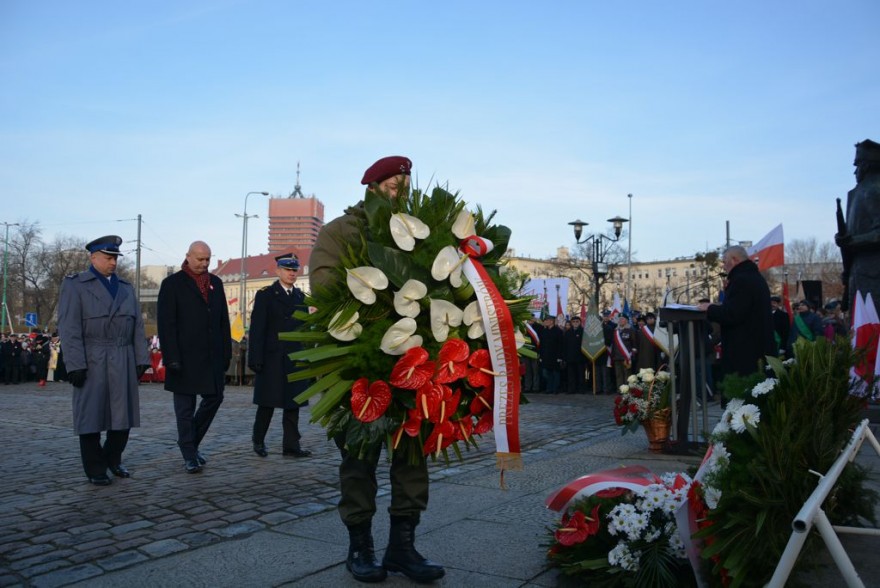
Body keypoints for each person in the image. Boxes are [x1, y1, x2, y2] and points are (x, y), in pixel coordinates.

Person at [311, 155, 445, 583]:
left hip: (414, 360)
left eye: (404, 183)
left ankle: (402, 547)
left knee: (411, 456)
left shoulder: (419, 228)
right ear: (371, 186)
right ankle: (360, 547)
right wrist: (382, 300)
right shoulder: (341, 231)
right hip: (359, 360)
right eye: (391, 183)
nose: (399, 190)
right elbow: (326, 283)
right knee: (360, 456)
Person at [57, 235, 150, 485]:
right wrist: (75, 364)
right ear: (93, 257)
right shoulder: (76, 285)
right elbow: (69, 328)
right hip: (92, 357)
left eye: (115, 258)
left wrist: (142, 358)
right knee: (90, 417)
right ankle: (95, 468)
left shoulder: (126, 288)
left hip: (122, 356)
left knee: (123, 417)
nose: (113, 263)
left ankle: (112, 458)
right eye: (108, 258)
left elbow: (138, 327)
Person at [157, 241, 231, 474]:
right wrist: (171, 357)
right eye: (200, 259)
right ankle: (189, 454)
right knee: (185, 409)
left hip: (212, 356)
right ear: (188, 257)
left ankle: (189, 442)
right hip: (184, 357)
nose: (204, 263)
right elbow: (166, 324)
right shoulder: (172, 284)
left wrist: (226, 352)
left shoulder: (216, 283)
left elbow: (223, 322)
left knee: (215, 398)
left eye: (208, 259)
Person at [247, 253, 311, 458]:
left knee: (293, 405)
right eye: (287, 270)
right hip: (272, 357)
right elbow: (257, 329)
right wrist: (255, 358)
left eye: (294, 270)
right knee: (267, 403)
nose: (292, 274)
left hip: (294, 356)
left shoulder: (300, 297)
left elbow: (304, 328)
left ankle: (291, 446)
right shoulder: (266, 295)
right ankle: (258, 440)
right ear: (278, 271)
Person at [697, 245, 775, 386]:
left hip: (745, 353)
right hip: (754, 348)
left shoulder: (742, 280)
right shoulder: (752, 277)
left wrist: (710, 308)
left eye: (724, 260)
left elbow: (733, 314)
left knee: (743, 400)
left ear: (734, 260)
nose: (723, 265)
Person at [611, 314, 638, 390]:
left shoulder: (631, 330)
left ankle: (627, 390)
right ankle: (620, 389)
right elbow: (614, 344)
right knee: (618, 375)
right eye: (619, 319)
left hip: (627, 357)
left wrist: (632, 355)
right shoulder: (616, 331)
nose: (620, 321)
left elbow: (634, 344)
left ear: (626, 320)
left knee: (627, 375)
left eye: (622, 319)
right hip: (617, 356)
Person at [539, 314, 564, 394]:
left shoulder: (558, 331)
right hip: (546, 355)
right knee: (546, 372)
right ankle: (549, 388)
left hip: (555, 355)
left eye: (546, 320)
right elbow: (542, 344)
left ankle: (555, 389)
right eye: (545, 320)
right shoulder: (544, 331)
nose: (545, 322)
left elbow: (561, 344)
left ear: (551, 321)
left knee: (555, 373)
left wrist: (559, 356)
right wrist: (541, 355)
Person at [563, 316, 586, 393]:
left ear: (580, 322)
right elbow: (565, 345)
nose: (575, 323)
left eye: (577, 321)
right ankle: (571, 389)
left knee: (581, 375)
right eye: (574, 322)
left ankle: (581, 389)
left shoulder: (583, 332)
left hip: (580, 357)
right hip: (570, 357)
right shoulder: (567, 332)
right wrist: (565, 357)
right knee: (571, 375)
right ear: (571, 323)